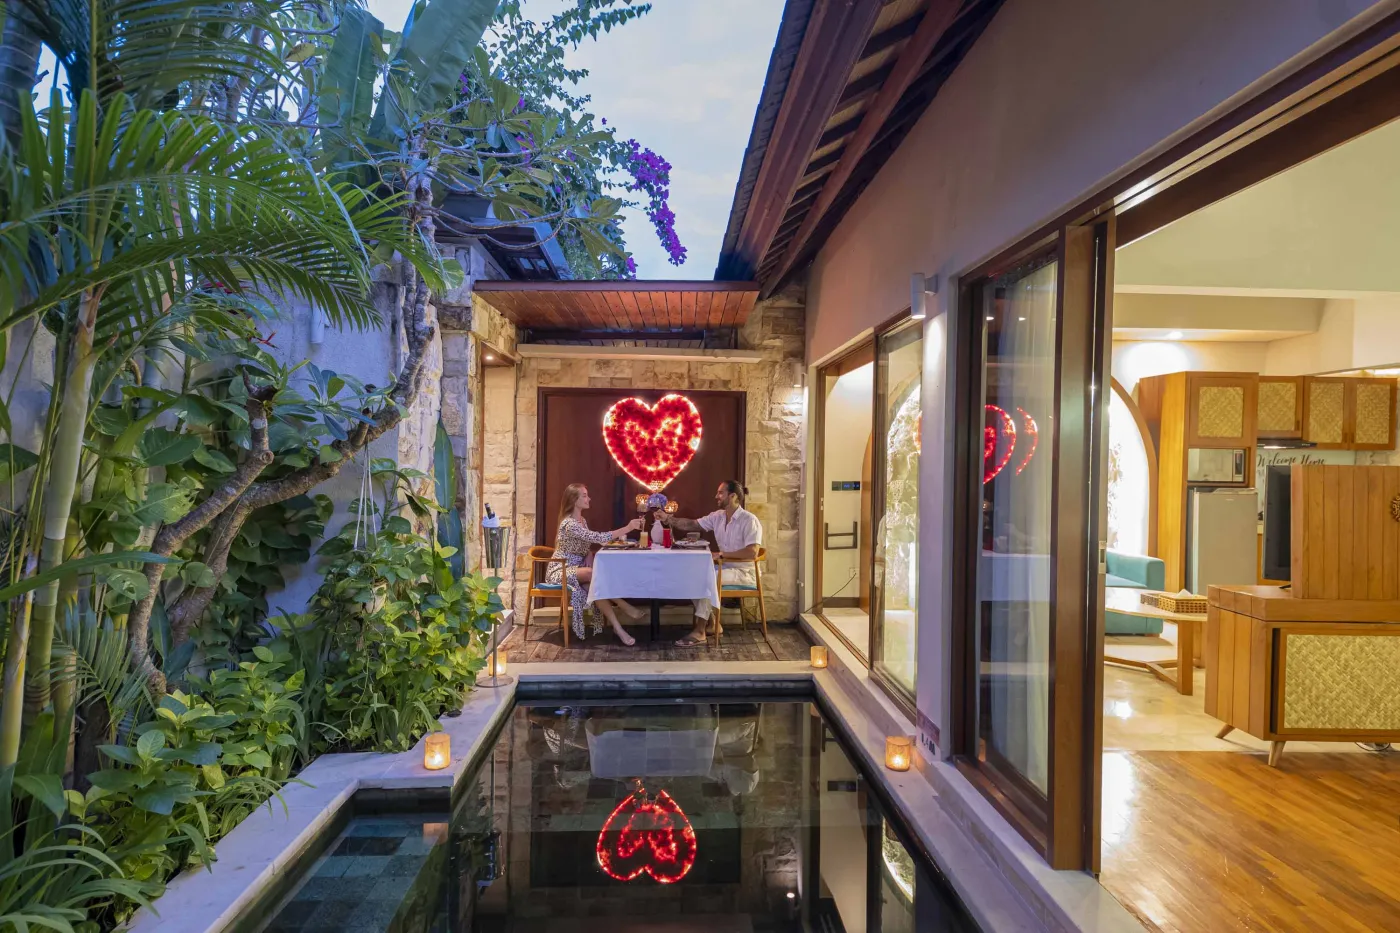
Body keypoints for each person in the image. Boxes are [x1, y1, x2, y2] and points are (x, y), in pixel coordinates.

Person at [662, 480, 761, 647]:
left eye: (720, 493)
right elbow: (692, 524)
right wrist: (668, 519)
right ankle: (713, 624)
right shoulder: (718, 517)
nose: (716, 496)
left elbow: (752, 552)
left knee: (705, 579)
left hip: (744, 573)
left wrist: (722, 554)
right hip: (723, 568)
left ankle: (700, 631)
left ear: (733, 496)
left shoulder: (749, 520)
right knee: (690, 576)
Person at [549, 484, 644, 644]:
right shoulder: (569, 524)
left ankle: (618, 628)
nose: (589, 498)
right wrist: (628, 527)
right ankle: (623, 605)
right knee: (593, 575)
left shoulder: (582, 521)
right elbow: (599, 538)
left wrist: (589, 558)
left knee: (595, 587)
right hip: (561, 570)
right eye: (584, 495)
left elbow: (586, 546)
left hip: (578, 570)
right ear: (574, 500)